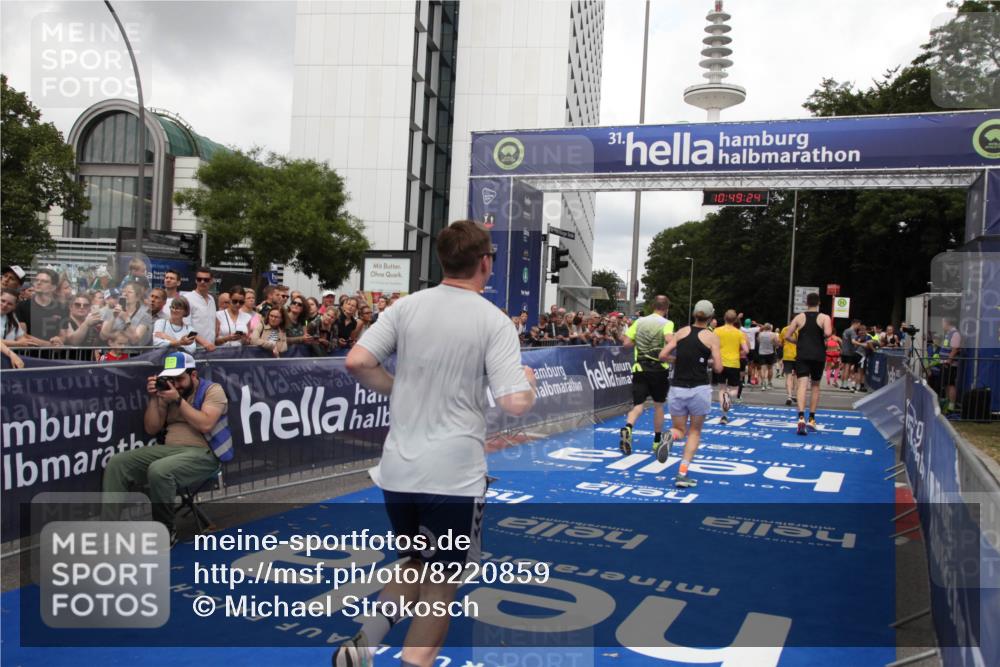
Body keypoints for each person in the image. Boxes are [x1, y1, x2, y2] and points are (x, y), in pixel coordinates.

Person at [336, 220, 536, 667]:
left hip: (398, 471)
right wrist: (529, 381)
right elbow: (515, 404)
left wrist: (396, 387)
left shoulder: (406, 307)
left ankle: (366, 640)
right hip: (453, 476)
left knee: (416, 562)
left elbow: (357, 361)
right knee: (441, 586)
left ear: (442, 259)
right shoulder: (493, 320)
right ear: (486, 263)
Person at [102, 351, 229, 545]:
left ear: (193, 375)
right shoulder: (167, 392)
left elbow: (205, 424)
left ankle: (165, 531)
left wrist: (178, 400)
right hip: (170, 450)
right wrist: (155, 398)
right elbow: (151, 428)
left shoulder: (212, 390)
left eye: (180, 379)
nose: (176, 384)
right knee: (118, 463)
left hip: (205, 453)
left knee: (159, 470)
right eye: (171, 379)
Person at [658, 300, 723, 488]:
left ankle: (669, 435)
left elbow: (663, 355)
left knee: (679, 429)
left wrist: (677, 360)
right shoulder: (711, 337)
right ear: (710, 318)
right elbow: (718, 367)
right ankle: (682, 473)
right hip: (699, 389)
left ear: (694, 314)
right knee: (694, 432)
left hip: (677, 388)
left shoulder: (681, 332)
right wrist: (707, 363)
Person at [619, 295, 674, 455]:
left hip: (640, 368)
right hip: (659, 370)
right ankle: (657, 441)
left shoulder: (640, 321)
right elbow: (669, 339)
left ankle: (628, 427)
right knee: (658, 406)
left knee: (638, 405)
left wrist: (641, 341)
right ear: (666, 308)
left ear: (652, 306)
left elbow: (627, 343)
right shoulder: (667, 323)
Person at [783, 292, 833, 435]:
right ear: (819, 303)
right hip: (818, 354)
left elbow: (787, 336)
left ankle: (800, 417)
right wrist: (819, 336)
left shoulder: (799, 317)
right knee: (815, 385)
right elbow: (828, 333)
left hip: (803, 353)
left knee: (802, 385)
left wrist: (798, 341)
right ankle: (811, 418)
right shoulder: (824, 317)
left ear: (806, 303)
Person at [714, 310, 748, 424]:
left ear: (724, 318)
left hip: (720, 363)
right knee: (734, 389)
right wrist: (738, 352)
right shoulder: (739, 333)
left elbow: (713, 345)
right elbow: (746, 350)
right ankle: (728, 395)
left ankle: (723, 416)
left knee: (721, 388)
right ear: (735, 320)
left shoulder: (717, 331)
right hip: (734, 363)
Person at [15, 268, 66, 341]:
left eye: (44, 281)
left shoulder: (62, 308)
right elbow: (22, 335)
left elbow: (63, 336)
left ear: (53, 287)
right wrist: (47, 345)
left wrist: (58, 340)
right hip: (29, 351)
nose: (38, 283)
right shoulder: (22, 306)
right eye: (37, 280)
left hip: (53, 352)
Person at [100, 282, 153, 346]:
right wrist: (113, 317)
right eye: (124, 292)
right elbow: (103, 335)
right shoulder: (112, 311)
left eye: (130, 292)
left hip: (132, 353)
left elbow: (135, 340)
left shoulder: (145, 316)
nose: (125, 294)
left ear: (138, 297)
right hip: (112, 352)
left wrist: (126, 319)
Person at [57, 292, 103, 358]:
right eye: (77, 304)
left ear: (89, 308)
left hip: (91, 360)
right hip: (71, 360)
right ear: (71, 307)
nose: (82, 307)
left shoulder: (92, 321)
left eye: (86, 305)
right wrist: (86, 324)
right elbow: (73, 341)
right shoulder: (65, 321)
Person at [181, 267, 217, 351]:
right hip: (193, 349)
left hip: (210, 348)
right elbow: (186, 326)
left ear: (211, 281)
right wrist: (204, 343)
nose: (202, 282)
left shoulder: (212, 299)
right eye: (199, 279)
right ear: (195, 280)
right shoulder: (187, 298)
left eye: (206, 280)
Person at [939, 318, 962, 412]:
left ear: (947, 323)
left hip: (950, 364)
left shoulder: (955, 333)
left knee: (950, 384)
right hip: (945, 363)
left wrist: (949, 361)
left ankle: (951, 406)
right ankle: (948, 405)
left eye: (943, 323)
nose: (942, 325)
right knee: (946, 384)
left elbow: (955, 349)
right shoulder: (948, 334)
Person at [779, 321, 798, 406]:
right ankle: (796, 395)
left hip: (787, 355)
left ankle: (789, 396)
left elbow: (780, 343)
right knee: (797, 377)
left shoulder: (785, 329)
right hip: (799, 355)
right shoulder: (800, 329)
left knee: (788, 377)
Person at [756, 324, 778, 390]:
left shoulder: (760, 334)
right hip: (770, 352)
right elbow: (776, 344)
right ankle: (769, 383)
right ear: (770, 328)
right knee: (770, 368)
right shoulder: (773, 334)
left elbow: (759, 341)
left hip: (762, 352)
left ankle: (763, 383)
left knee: (763, 369)